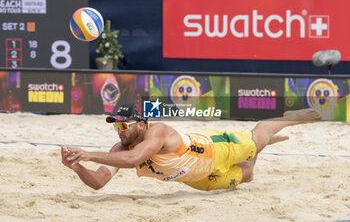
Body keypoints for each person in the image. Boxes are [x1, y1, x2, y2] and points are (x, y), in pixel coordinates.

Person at [61, 103, 322, 191]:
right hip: (199, 179)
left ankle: (290, 118)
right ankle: (259, 147)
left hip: (217, 148)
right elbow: (98, 182)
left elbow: (135, 160)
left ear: (141, 124)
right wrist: (78, 166)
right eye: (115, 127)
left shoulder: (157, 131)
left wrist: (87, 152)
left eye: (123, 125)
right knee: (248, 174)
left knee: (259, 135)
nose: (119, 131)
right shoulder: (119, 150)